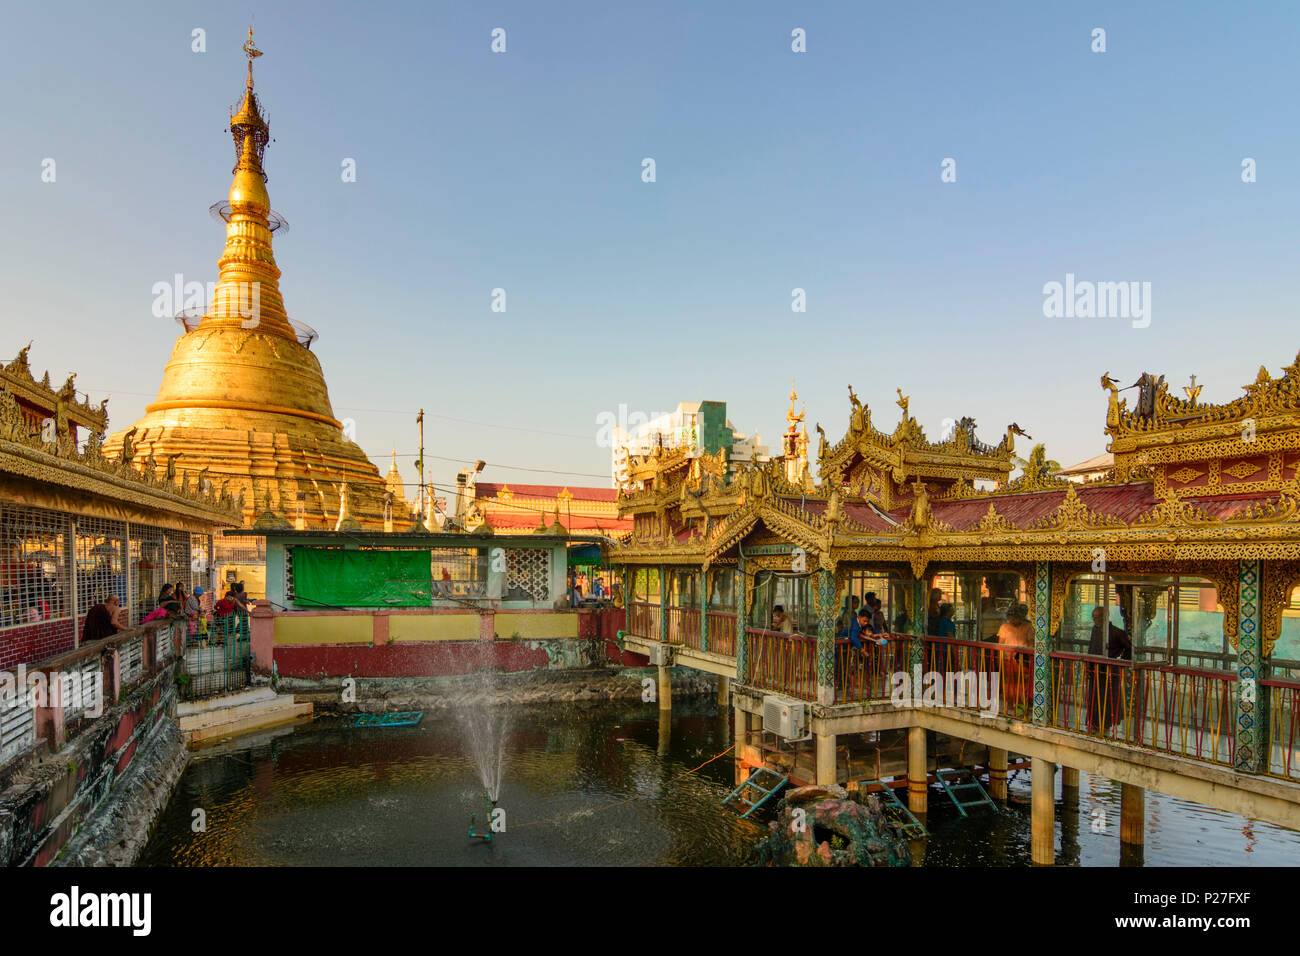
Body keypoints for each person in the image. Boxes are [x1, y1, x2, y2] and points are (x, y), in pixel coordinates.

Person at [996, 603, 1034, 717]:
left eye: (1015, 617)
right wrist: (999, 659)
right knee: (1008, 684)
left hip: (1022, 660)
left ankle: (1021, 708)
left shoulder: (1028, 627)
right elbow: (1000, 644)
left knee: (1022, 685)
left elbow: (1031, 644)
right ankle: (1010, 706)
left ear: (1020, 617)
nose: (1012, 619)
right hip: (1007, 660)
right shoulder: (1004, 627)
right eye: (1010, 617)